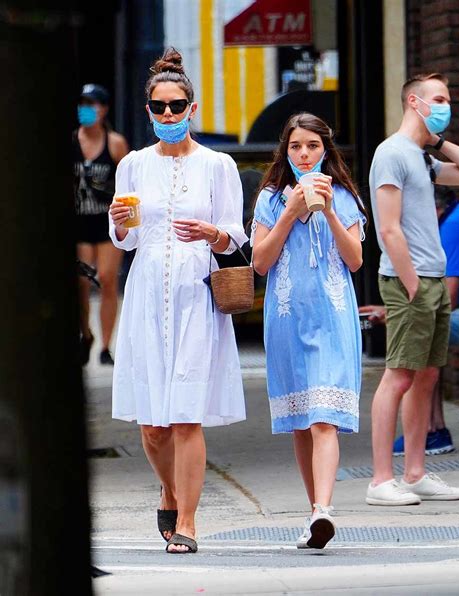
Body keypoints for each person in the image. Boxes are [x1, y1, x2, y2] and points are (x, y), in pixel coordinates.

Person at [108, 48, 247, 554]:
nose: (169, 114)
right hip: (146, 293)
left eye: (177, 105)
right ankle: (168, 488)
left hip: (196, 295)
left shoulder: (218, 164)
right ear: (149, 111)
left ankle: (187, 520)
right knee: (152, 424)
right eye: (159, 107)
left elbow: (236, 235)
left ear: (192, 107)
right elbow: (124, 240)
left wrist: (213, 232)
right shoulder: (132, 165)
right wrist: (120, 224)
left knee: (186, 415)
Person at [251, 113, 367, 549]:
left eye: (313, 146)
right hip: (286, 317)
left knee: (323, 419)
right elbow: (260, 263)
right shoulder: (269, 199)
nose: (304, 154)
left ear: (326, 150)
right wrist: (291, 213)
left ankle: (323, 509)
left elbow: (355, 260)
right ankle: (313, 511)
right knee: (301, 420)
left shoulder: (344, 195)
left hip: (332, 316)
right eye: (297, 146)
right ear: (286, 151)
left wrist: (330, 212)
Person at [367, 72, 459, 506]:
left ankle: (414, 472)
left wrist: (437, 142)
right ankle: (380, 480)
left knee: (427, 376)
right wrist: (411, 284)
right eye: (440, 99)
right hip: (409, 279)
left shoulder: (420, 157)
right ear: (415, 101)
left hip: (431, 277)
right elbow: (388, 229)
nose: (446, 106)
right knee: (399, 375)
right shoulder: (390, 154)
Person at [362, 187, 459, 456]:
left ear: (431, 208)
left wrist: (395, 311)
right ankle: (433, 429)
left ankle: (430, 431)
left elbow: (448, 295)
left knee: (421, 324)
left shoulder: (455, 224)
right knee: (423, 323)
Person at [74, 83, 129, 365]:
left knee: (107, 279)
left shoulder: (115, 143)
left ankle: (106, 345)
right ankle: (86, 334)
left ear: (104, 108)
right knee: (82, 282)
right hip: (80, 222)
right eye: (83, 103)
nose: (87, 109)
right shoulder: (72, 140)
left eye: (92, 104)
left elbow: (127, 181)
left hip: (106, 222)